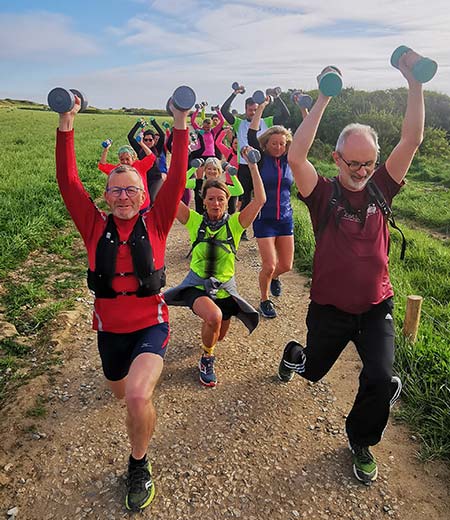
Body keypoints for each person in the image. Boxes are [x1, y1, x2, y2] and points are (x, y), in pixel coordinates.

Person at [277, 54, 424, 485]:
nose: (360, 172)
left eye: (368, 163)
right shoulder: (322, 194)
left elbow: (412, 139)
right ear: (337, 158)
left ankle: (360, 439)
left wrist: (413, 84)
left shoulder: (381, 186)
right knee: (314, 372)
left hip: (377, 306)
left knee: (381, 377)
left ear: (375, 161)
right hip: (329, 309)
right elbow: (296, 156)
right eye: (352, 163)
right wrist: (323, 96)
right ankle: (293, 357)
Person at [56, 95, 189, 511]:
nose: (124, 196)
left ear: (143, 194)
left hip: (151, 324)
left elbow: (180, 176)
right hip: (110, 332)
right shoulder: (93, 225)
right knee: (122, 394)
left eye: (132, 189)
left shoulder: (159, 220)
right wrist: (66, 120)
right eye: (116, 190)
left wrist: (181, 121)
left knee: (134, 395)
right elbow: (68, 182)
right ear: (107, 195)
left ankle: (138, 464)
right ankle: (141, 410)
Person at [164, 148, 266, 387]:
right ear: (203, 200)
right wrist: (190, 168)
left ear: (227, 200)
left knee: (218, 332)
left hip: (224, 287)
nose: (216, 203)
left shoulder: (235, 224)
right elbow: (169, 196)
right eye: (210, 198)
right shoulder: (194, 221)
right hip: (196, 283)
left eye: (221, 198)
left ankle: (210, 328)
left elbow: (260, 199)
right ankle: (207, 358)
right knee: (214, 316)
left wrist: (252, 166)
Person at [247, 96, 295, 319]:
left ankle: (275, 277)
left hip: (285, 218)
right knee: (269, 264)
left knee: (285, 265)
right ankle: (264, 299)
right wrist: (263, 107)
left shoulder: (290, 161)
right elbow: (251, 133)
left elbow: (305, 139)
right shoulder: (261, 159)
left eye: (282, 144)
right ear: (266, 144)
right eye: (274, 143)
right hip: (264, 219)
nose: (278, 147)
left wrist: (304, 110)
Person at [221, 85, 290, 239]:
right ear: (245, 109)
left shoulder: (267, 121)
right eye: (250, 110)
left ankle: (266, 228)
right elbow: (224, 111)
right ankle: (242, 230)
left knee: (263, 198)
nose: (253, 113)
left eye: (255, 110)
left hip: (263, 166)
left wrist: (276, 97)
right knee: (245, 198)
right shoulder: (238, 123)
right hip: (245, 167)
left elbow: (286, 115)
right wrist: (235, 93)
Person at [98, 142, 156, 210]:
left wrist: (141, 143)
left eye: (127, 159)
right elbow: (102, 166)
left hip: (142, 205)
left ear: (133, 158)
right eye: (122, 159)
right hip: (127, 207)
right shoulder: (118, 170)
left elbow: (151, 157)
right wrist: (106, 149)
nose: (125, 162)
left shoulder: (140, 166)